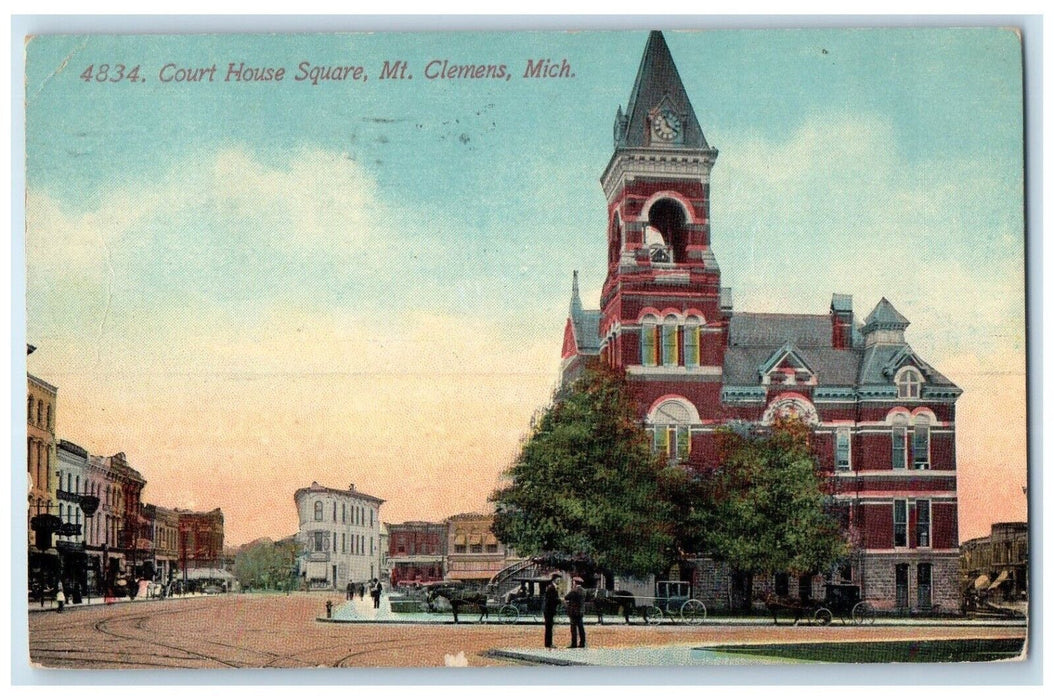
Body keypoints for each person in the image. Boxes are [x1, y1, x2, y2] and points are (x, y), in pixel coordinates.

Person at [564, 577, 586, 648]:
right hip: (581, 612)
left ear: (575, 582)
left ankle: (574, 643)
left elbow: (566, 597)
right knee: (581, 628)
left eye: (573, 582)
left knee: (573, 629)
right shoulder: (583, 591)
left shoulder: (574, 591)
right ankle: (582, 643)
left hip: (573, 612)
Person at [543, 572, 561, 649]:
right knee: (549, 627)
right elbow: (552, 600)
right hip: (549, 610)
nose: (559, 581)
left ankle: (548, 643)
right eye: (558, 579)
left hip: (549, 610)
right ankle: (548, 643)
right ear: (554, 579)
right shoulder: (551, 588)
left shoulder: (552, 587)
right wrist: (560, 600)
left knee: (549, 627)